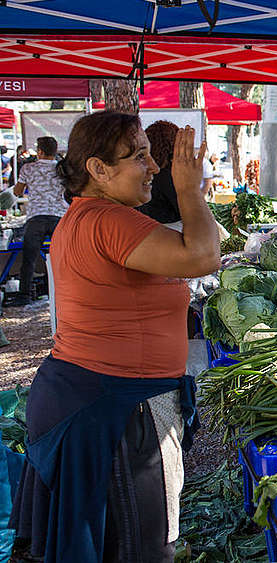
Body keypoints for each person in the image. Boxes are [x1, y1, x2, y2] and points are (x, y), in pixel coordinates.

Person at [11, 112, 219, 561]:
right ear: (98, 170)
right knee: (140, 547)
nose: (153, 167)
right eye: (138, 156)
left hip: (93, 399)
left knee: (110, 545)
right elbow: (203, 255)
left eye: (149, 154)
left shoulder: (94, 216)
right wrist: (188, 188)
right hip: (116, 410)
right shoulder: (108, 221)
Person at [9, 136, 68, 307]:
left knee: (29, 259)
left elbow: (18, 192)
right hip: (59, 217)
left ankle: (24, 296)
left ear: (40, 151)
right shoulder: (62, 169)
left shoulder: (28, 168)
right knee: (63, 258)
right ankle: (63, 293)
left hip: (36, 217)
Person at [137, 121, 182, 225]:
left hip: (142, 227)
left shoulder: (139, 169)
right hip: (170, 231)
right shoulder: (171, 173)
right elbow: (185, 210)